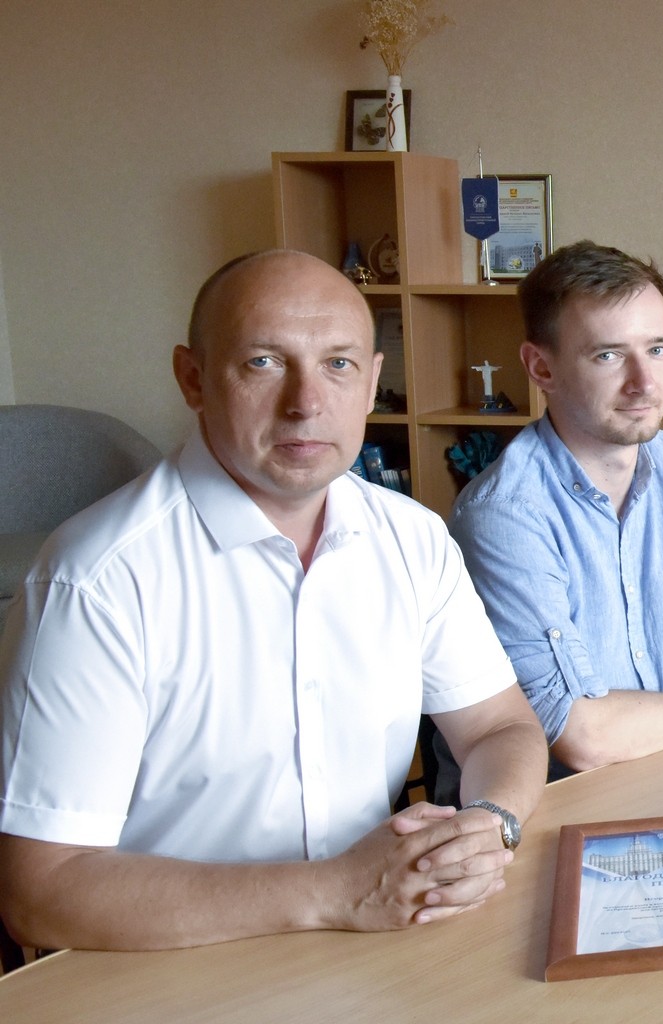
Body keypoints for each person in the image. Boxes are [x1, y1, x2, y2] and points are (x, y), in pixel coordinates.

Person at [0, 250, 548, 952]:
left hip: (373, 940)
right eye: (263, 362)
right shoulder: (96, 579)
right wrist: (340, 891)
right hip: (171, 962)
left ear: (373, 382)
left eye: (338, 364)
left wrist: (490, 826)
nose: (306, 403)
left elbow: (500, 726)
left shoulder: (412, 538)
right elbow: (39, 891)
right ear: (193, 378)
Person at [450, 241, 663, 778]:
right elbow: (580, 735)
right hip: (553, 803)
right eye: (608, 355)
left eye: (657, 349)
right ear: (541, 367)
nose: (646, 383)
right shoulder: (504, 514)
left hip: (661, 767)